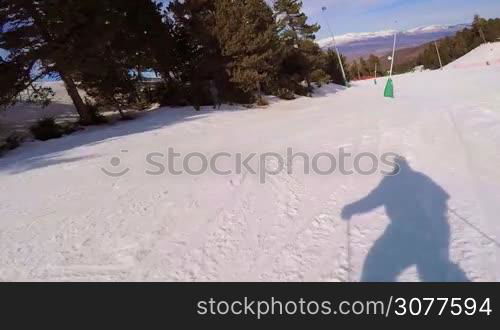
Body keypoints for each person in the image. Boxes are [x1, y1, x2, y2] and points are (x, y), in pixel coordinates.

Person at [341, 156, 469, 282]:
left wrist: (350, 209)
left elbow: (372, 200)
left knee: (377, 264)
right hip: (432, 235)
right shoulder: (420, 178)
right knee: (435, 272)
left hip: (404, 233)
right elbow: (442, 200)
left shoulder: (392, 181)